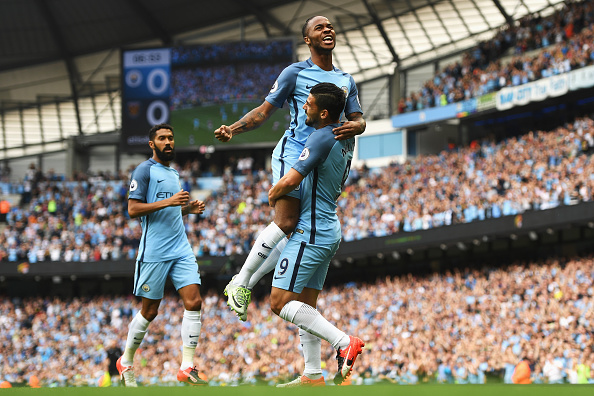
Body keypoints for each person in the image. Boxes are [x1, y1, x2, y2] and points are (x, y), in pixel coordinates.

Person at [214, 15, 365, 322]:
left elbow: (359, 119)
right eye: (319, 28)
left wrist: (358, 126)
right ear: (307, 40)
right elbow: (264, 111)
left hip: (320, 162)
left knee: (299, 230)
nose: (328, 30)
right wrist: (234, 129)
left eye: (330, 26)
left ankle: (311, 369)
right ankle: (241, 282)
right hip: (293, 153)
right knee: (285, 222)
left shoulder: (347, 80)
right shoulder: (295, 73)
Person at [267, 82, 364, 386]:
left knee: (279, 302)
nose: (303, 108)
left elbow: (289, 182)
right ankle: (312, 374)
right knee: (307, 304)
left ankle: (343, 341)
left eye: (307, 104)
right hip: (327, 227)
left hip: (310, 230)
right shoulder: (344, 135)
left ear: (323, 112)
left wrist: (273, 193)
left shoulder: (322, 136)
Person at [116, 123, 208, 387]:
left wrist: (187, 209)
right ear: (152, 144)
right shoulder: (143, 170)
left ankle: (186, 367)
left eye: (171, 137)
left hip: (180, 248)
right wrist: (170, 201)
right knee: (150, 310)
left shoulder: (173, 173)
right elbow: (133, 210)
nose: (168, 142)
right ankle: (126, 360)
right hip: (154, 251)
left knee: (194, 302)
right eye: (162, 138)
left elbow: (168, 211)